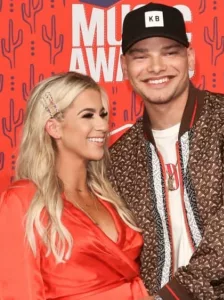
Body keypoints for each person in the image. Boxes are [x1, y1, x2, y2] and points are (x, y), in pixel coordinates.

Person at [108, 2, 224, 299]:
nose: (156, 67)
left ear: (190, 57)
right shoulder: (120, 158)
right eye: (141, 56)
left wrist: (172, 294)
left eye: (170, 53)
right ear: (123, 67)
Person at [0, 72, 148, 299]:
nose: (102, 125)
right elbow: (20, 292)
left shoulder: (110, 196)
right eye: (87, 116)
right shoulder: (22, 200)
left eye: (103, 114)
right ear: (54, 128)